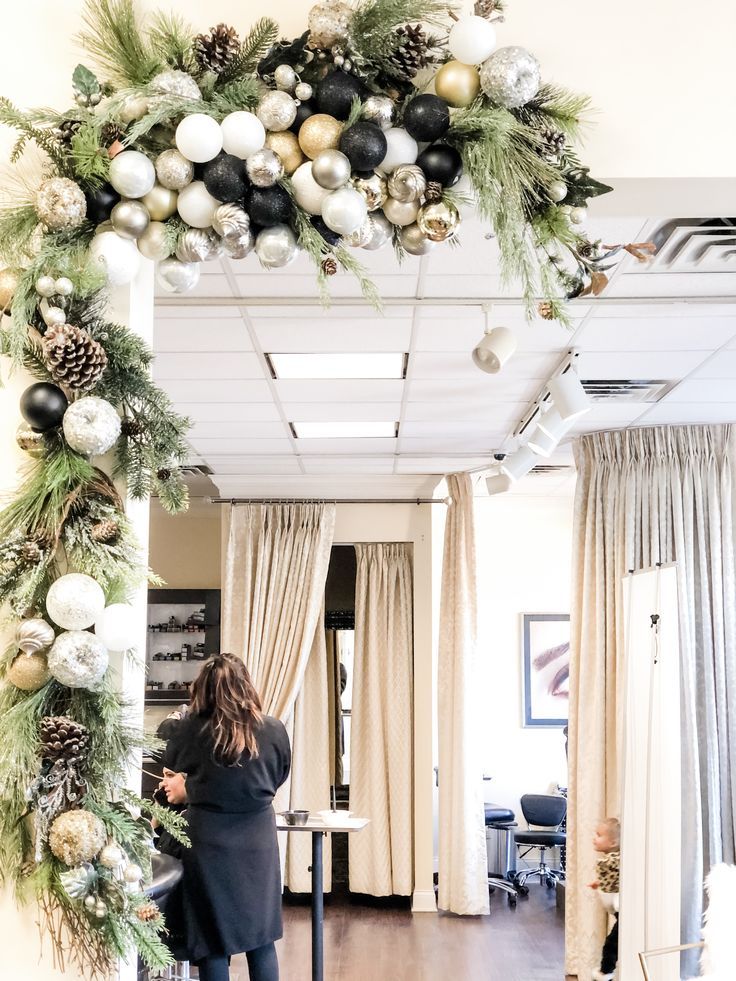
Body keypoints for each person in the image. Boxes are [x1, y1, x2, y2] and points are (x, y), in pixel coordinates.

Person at [164, 653, 291, 981]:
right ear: (246, 685)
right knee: (261, 939)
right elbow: (279, 776)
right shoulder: (273, 730)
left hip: (207, 843)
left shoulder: (190, 730)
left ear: (202, 689)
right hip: (258, 843)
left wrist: (193, 786)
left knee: (211, 944)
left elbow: (171, 761)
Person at [589, 817, 621, 981]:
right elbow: (613, 880)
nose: (594, 838)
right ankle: (605, 972)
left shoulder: (615, 860)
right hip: (618, 911)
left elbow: (616, 875)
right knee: (613, 943)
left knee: (611, 944)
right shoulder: (611, 860)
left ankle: (605, 973)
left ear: (613, 842)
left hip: (624, 913)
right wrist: (599, 883)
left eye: (599, 835)